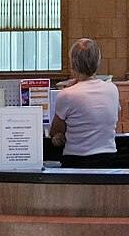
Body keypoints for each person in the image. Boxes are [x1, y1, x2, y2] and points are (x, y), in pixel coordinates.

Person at [49, 37, 120, 167]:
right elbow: (114, 119)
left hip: (76, 160)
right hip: (108, 159)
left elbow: (55, 131)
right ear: (98, 61)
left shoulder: (67, 95)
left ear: (72, 64)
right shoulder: (112, 89)